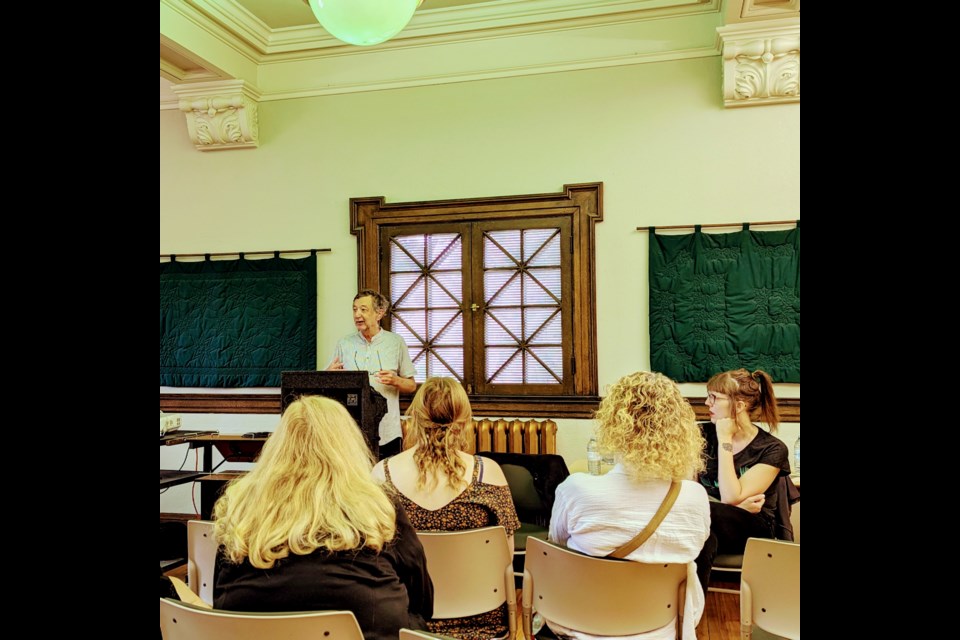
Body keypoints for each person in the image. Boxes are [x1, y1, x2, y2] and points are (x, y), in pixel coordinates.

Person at [213, 396, 433, 640]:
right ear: (348, 446)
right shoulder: (380, 504)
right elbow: (423, 600)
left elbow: (218, 594)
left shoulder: (240, 505)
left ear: (277, 446)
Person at [548, 371, 710, 640]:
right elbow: (698, 546)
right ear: (679, 428)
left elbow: (556, 546)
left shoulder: (576, 489)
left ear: (613, 422)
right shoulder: (695, 497)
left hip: (580, 624)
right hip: (664, 628)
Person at [372, 377, 520, 640]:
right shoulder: (489, 474)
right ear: (463, 421)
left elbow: (372, 557)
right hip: (481, 622)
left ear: (414, 418)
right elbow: (506, 560)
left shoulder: (382, 475)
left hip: (405, 621)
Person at [695, 368, 790, 589]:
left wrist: (725, 439)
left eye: (714, 398)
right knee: (705, 539)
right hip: (711, 522)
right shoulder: (699, 435)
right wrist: (736, 506)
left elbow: (730, 496)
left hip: (754, 528)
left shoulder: (772, 449)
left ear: (739, 405)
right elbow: (686, 491)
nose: (707, 403)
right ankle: (690, 615)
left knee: (699, 515)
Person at [327, 289, 417, 459]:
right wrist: (328, 375)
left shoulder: (395, 342)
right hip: (351, 431)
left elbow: (411, 385)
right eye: (354, 309)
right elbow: (326, 385)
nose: (357, 314)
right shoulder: (344, 344)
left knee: (385, 483)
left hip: (387, 431)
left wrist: (396, 380)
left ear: (379, 313)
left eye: (363, 309)